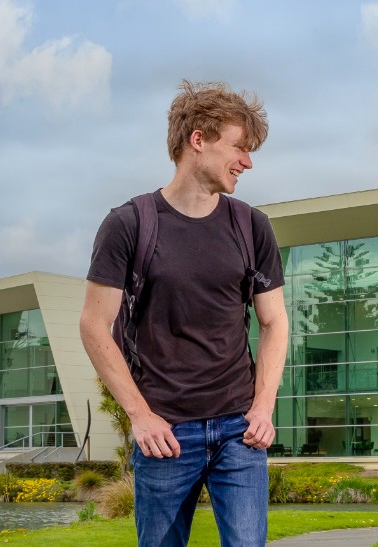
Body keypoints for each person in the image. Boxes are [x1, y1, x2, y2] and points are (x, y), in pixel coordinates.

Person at [79, 80, 288, 547]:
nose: (248, 162)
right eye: (239, 147)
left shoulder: (252, 226)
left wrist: (263, 407)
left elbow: (274, 322)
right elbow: (94, 325)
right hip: (165, 433)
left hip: (239, 431)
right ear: (198, 139)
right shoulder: (129, 224)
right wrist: (140, 416)